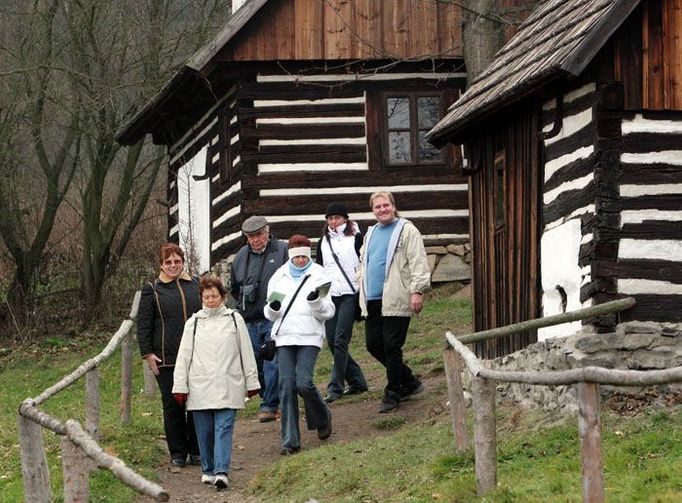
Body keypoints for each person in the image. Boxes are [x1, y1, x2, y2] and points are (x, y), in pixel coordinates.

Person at [172, 275, 260, 490]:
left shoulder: (234, 319)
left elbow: (246, 352)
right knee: (205, 431)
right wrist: (180, 385)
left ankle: (221, 471)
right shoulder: (193, 323)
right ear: (201, 298)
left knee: (224, 427)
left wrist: (252, 381)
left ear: (223, 296)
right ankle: (208, 469)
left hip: (229, 383)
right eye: (206, 297)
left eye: (215, 296)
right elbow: (184, 356)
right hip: (200, 385)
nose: (211, 300)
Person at [358, 192, 431, 413]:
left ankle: (392, 392)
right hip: (373, 298)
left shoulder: (407, 230)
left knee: (391, 345)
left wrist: (417, 291)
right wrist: (361, 279)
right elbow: (364, 261)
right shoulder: (370, 234)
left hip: (397, 295)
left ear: (393, 206)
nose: (382, 210)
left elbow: (418, 261)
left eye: (385, 205)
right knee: (373, 344)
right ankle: (408, 381)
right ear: (373, 210)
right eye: (378, 207)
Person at [264, 235, 335, 455]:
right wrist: (273, 308)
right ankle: (290, 441)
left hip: (310, 335)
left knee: (304, 383)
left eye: (305, 256)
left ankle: (322, 415)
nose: (302, 261)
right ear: (290, 257)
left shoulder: (320, 275)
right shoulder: (279, 277)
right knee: (286, 386)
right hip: (284, 337)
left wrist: (316, 303)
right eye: (298, 257)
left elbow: (329, 311)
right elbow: (268, 312)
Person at [137, 243, 202, 467]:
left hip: (197, 356)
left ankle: (197, 450)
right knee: (173, 405)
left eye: (177, 261)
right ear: (161, 265)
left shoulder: (196, 284)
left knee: (197, 404)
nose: (173, 266)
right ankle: (177, 452)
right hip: (167, 357)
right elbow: (143, 324)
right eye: (168, 262)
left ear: (183, 262)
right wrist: (147, 353)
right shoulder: (152, 289)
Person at [230, 216, 288, 422]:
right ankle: (270, 396)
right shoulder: (240, 257)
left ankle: (270, 406)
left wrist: (277, 303)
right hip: (249, 319)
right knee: (255, 363)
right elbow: (234, 288)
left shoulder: (282, 250)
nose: (256, 240)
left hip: (274, 317)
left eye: (259, 235)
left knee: (272, 360)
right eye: (251, 236)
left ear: (267, 232)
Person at [315, 202, 368, 403]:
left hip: (350, 293)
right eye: (330, 218)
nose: (333, 222)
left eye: (337, 218)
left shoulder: (357, 238)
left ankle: (335, 387)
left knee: (340, 340)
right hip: (330, 295)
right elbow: (320, 270)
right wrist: (319, 297)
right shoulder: (323, 242)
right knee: (332, 340)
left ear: (345, 219)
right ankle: (357, 381)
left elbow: (364, 263)